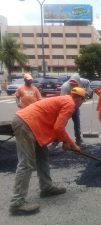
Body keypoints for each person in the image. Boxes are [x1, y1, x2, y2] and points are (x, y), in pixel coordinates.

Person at [9, 87, 86, 215]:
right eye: (83, 101)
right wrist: (73, 145)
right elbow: (59, 127)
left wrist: (65, 142)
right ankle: (17, 203)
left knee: (43, 156)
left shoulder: (65, 100)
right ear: (79, 98)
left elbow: (55, 126)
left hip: (33, 125)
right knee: (26, 164)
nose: (81, 104)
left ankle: (46, 188)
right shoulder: (70, 103)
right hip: (26, 124)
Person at [60, 74, 83, 145]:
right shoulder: (65, 86)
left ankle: (78, 139)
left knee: (77, 124)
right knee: (62, 124)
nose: (73, 85)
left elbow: (81, 98)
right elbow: (62, 100)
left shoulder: (79, 85)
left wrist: (76, 106)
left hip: (75, 107)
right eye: (72, 83)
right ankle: (58, 139)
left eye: (75, 84)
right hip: (66, 108)